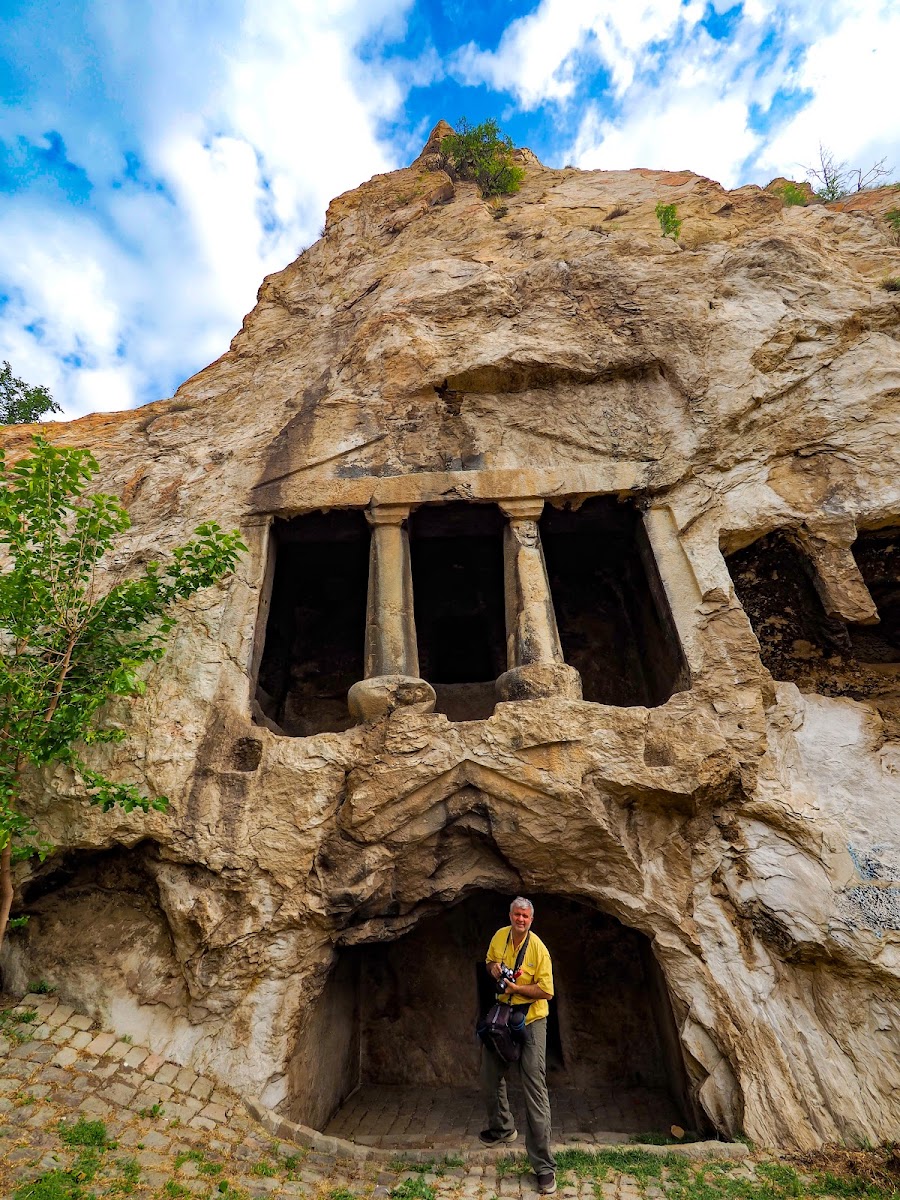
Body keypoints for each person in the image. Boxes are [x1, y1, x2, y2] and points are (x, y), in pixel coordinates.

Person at [480, 896, 557, 1195]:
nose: (520, 919)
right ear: (510, 915)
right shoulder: (500, 936)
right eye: (516, 914)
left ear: (531, 919)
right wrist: (495, 971)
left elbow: (547, 991)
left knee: (534, 1086)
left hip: (532, 1020)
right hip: (502, 1015)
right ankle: (502, 1128)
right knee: (488, 1075)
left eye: (525, 916)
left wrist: (517, 988)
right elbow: (488, 962)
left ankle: (543, 1167)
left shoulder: (538, 949)